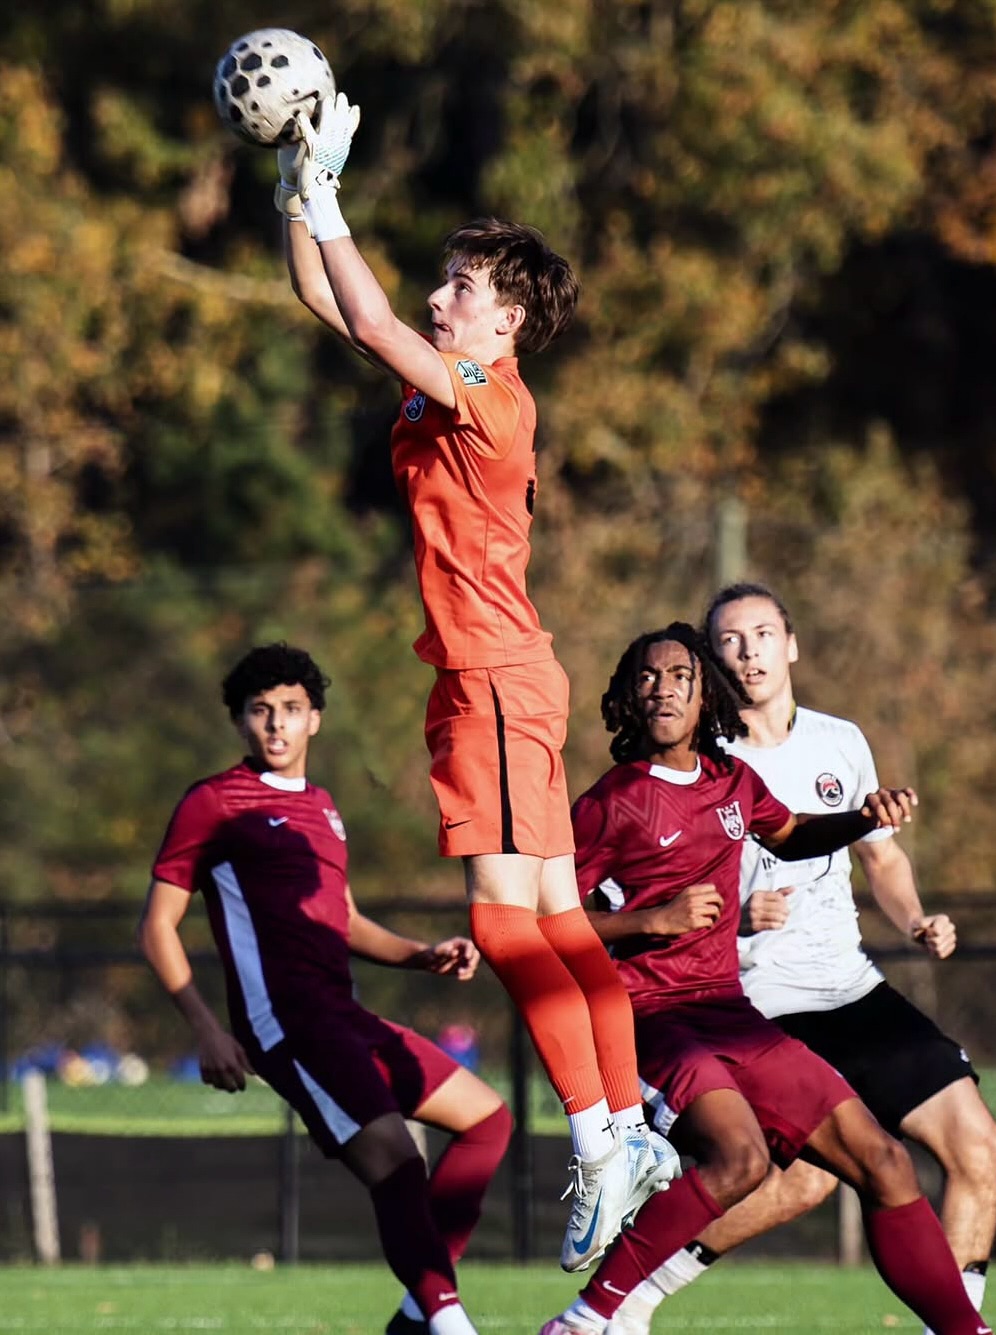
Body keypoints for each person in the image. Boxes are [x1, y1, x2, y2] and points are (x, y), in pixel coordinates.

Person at [271, 96, 677, 1270]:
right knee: (559, 923)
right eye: (444, 280)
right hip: (510, 673)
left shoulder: (485, 396)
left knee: (502, 924)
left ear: (506, 322)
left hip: (491, 678)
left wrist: (330, 193)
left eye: (461, 285)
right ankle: (624, 1130)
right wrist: (294, 186)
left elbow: (367, 311)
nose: (439, 295)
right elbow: (326, 300)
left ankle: (598, 1145)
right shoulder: (448, 387)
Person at [537, 623, 996, 1335]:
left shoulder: (732, 781)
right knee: (741, 1159)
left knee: (883, 1161)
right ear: (628, 698)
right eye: (647, 678)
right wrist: (652, 920)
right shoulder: (611, 801)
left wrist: (860, 819)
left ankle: (968, 1331)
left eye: (681, 676)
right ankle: (585, 1318)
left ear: (706, 697)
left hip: (731, 1011)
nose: (663, 689)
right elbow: (551, 921)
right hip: (651, 1018)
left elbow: (791, 832)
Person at [138, 643, 512, 1335]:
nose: (276, 723)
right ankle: (446, 1318)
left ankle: (419, 1312)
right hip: (285, 1023)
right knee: (395, 1161)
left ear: (316, 718)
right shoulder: (214, 802)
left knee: (488, 1119)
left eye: (291, 708)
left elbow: (342, 918)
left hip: (342, 1014)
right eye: (260, 710)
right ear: (239, 721)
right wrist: (206, 1028)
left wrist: (421, 955)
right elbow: (157, 925)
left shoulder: (322, 806)